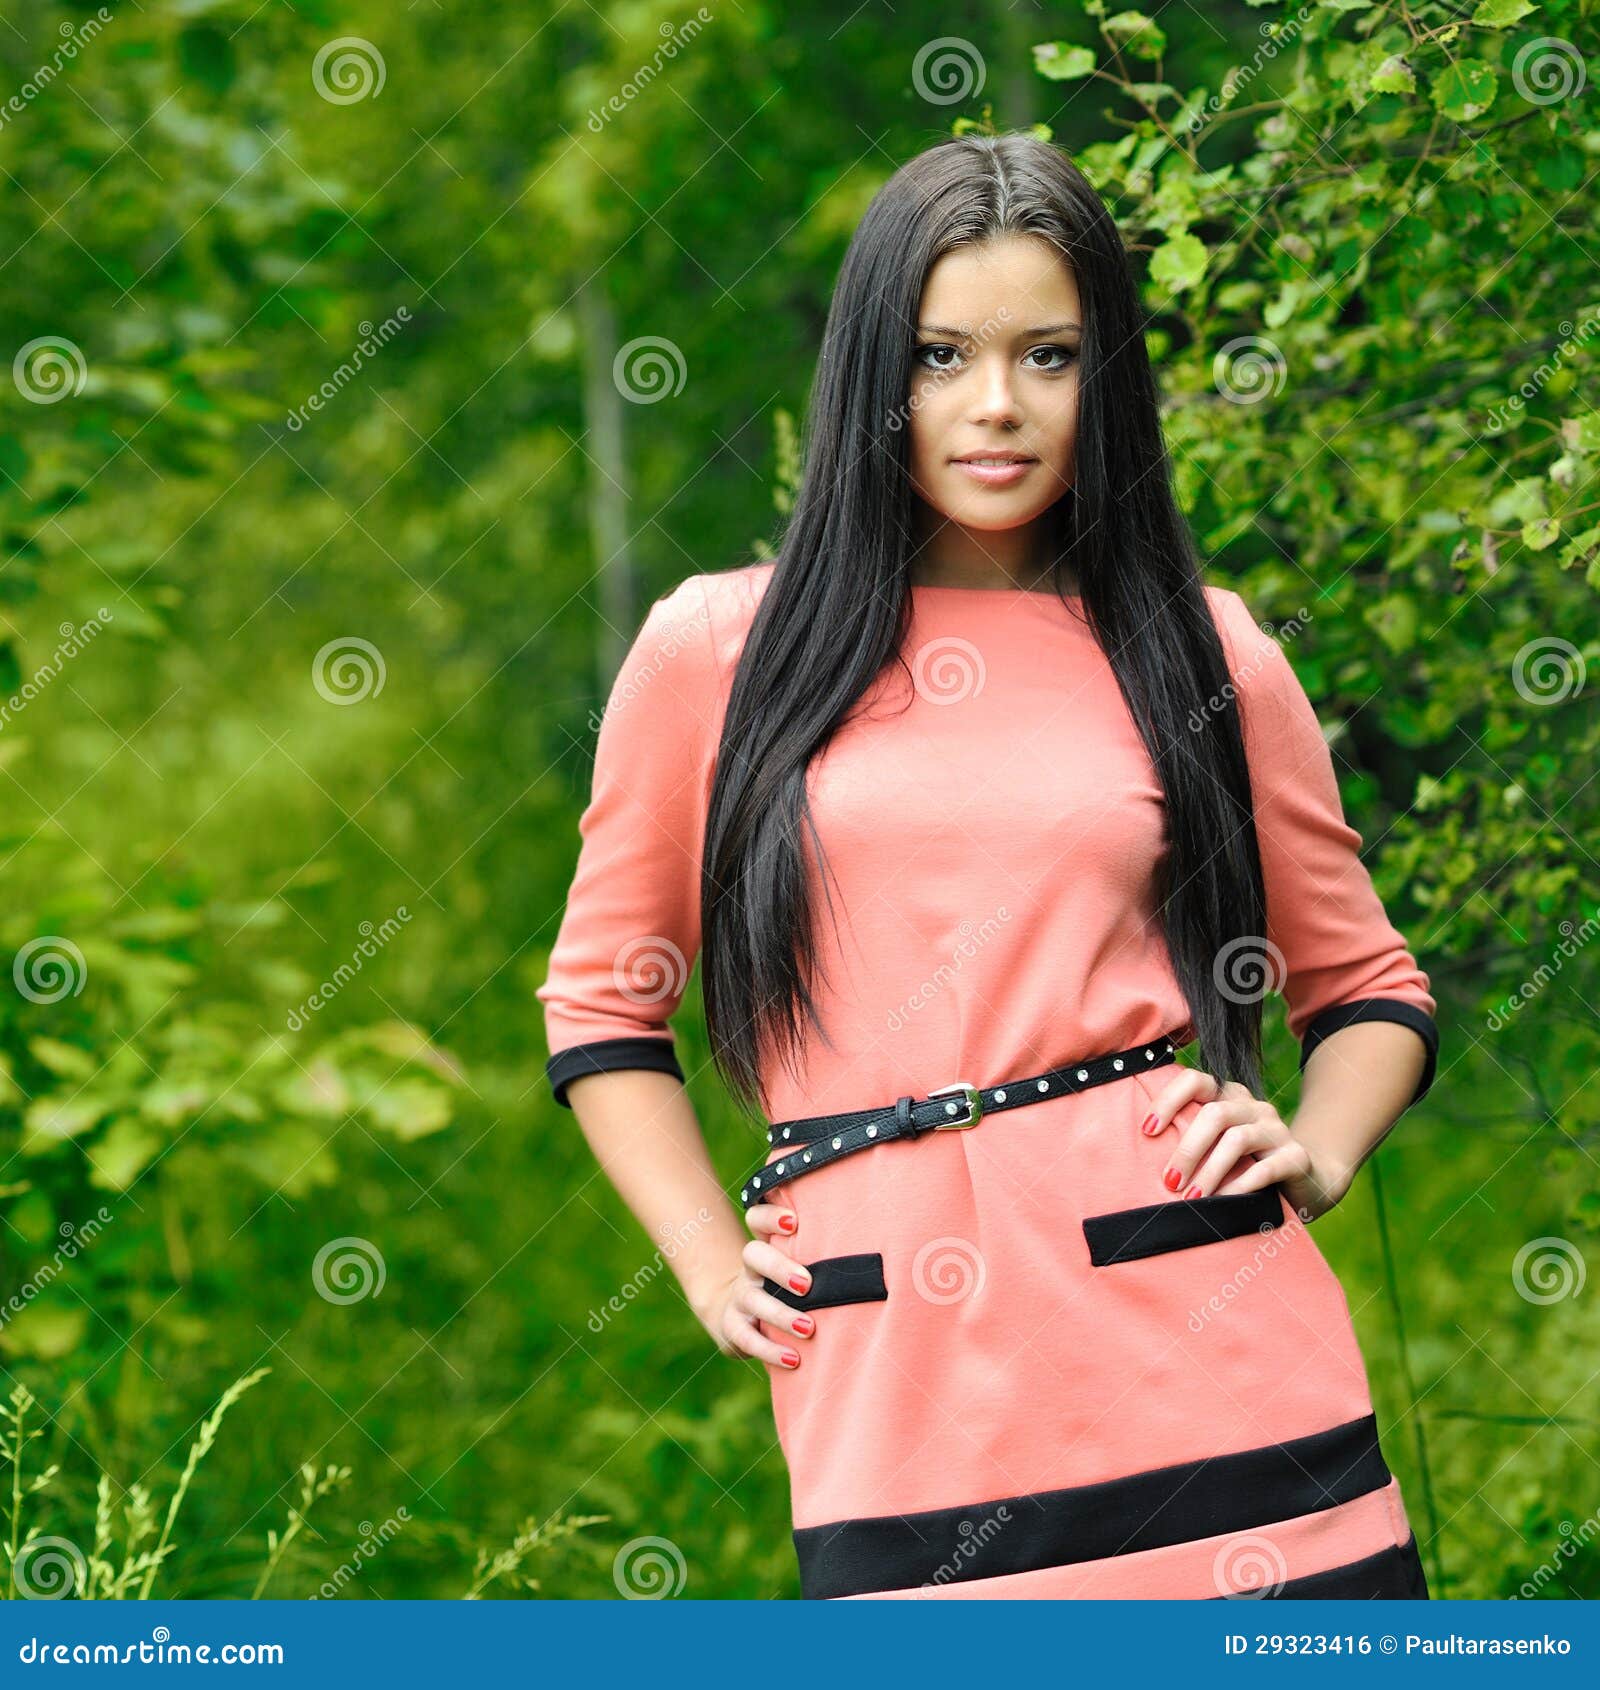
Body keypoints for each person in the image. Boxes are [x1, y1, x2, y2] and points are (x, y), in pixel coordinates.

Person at [536, 132, 1439, 1600]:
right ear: (871, 378)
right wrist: (711, 1261)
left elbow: (1371, 985)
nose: (996, 406)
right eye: (942, 354)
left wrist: (1317, 1148)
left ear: (1111, 380)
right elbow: (600, 1006)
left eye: (1051, 355)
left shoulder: (1207, 651)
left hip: (1234, 1377)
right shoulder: (716, 654)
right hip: (894, 1407)